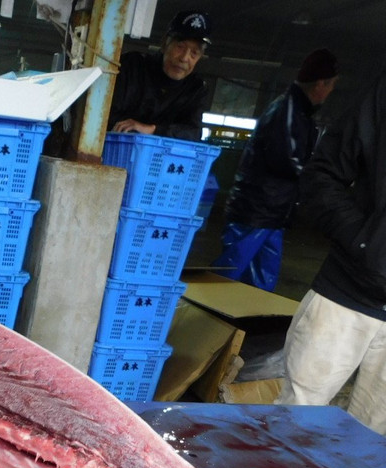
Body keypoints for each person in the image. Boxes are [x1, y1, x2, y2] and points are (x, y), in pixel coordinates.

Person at [275, 35, 386, 437]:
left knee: (369, 447)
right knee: (289, 430)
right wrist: (363, 241)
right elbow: (323, 173)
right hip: (345, 296)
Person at [212, 49, 339, 291]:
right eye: (332, 85)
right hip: (256, 211)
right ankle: (203, 320)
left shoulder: (299, 111)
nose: (331, 91)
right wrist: (320, 179)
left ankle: (248, 324)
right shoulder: (287, 109)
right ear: (321, 84)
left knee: (262, 277)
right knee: (228, 272)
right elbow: (286, 160)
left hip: (273, 212)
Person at [107, 10, 212, 141]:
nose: (185, 58)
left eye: (194, 53)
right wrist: (133, 129)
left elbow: (194, 133)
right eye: (180, 47)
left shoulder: (196, 89)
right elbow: (104, 112)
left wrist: (152, 130)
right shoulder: (132, 66)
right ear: (164, 44)